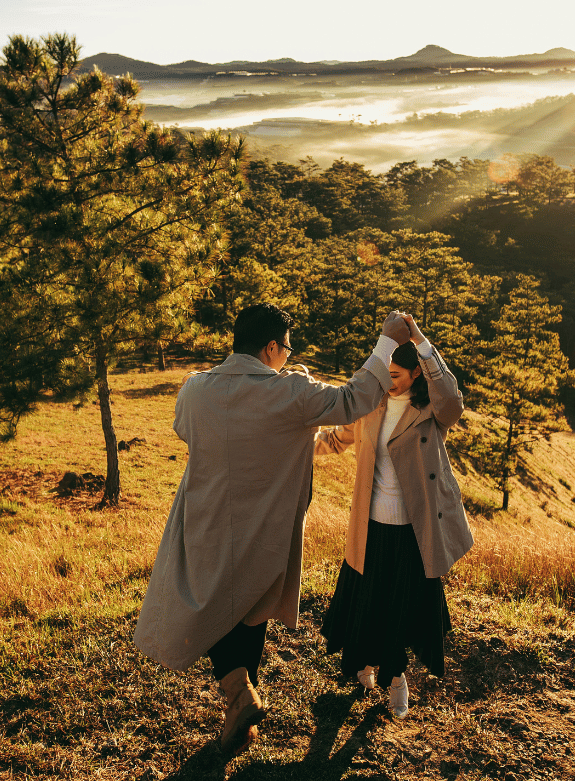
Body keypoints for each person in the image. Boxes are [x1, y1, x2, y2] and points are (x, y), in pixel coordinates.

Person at [133, 302, 410, 756]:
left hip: (204, 523)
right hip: (266, 528)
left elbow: (186, 429)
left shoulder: (196, 389)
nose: (288, 355)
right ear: (270, 347)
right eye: (287, 347)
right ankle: (241, 699)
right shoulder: (292, 393)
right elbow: (354, 399)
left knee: (210, 606)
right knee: (251, 610)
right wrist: (387, 340)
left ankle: (239, 704)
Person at [314, 314, 473, 718]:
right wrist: (296, 445)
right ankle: (367, 664)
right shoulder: (372, 404)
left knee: (400, 607)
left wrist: (421, 340)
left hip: (414, 531)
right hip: (369, 526)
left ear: (417, 371)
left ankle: (397, 678)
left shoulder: (432, 411)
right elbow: (338, 438)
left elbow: (453, 402)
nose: (388, 379)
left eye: (397, 374)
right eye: (384, 372)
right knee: (369, 602)